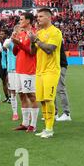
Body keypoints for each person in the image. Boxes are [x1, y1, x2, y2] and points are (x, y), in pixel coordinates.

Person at [29, 8, 63, 139]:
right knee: (42, 100)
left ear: (49, 17)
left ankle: (50, 129)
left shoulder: (55, 32)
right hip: (40, 71)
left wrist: (36, 40)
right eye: (38, 16)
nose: (38, 18)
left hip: (51, 71)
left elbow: (50, 49)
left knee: (49, 99)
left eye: (41, 16)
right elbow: (33, 52)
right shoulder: (39, 32)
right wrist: (33, 41)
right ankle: (46, 128)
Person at [12, 12, 38, 133]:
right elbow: (15, 52)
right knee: (22, 95)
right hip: (19, 69)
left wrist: (19, 43)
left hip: (28, 69)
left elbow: (32, 52)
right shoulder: (21, 33)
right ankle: (25, 123)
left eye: (21, 19)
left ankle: (33, 124)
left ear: (28, 21)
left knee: (31, 95)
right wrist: (15, 42)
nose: (20, 21)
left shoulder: (33, 33)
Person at [3, 26, 19, 120]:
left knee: (24, 93)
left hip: (23, 69)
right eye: (16, 31)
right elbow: (5, 46)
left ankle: (28, 112)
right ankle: (15, 113)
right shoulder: (9, 41)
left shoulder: (24, 40)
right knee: (13, 92)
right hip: (12, 70)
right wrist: (12, 38)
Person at [55, 42, 72, 122]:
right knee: (52, 89)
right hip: (54, 66)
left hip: (60, 65)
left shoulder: (55, 34)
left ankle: (66, 113)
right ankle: (54, 113)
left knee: (60, 89)